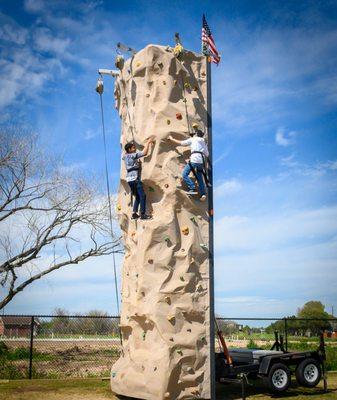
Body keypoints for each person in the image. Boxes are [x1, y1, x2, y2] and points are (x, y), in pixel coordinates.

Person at [168, 130, 209, 201]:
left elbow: (181, 143)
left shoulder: (193, 139)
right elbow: (207, 154)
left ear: (196, 134)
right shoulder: (203, 141)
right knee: (200, 178)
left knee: (184, 174)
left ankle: (192, 188)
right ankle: (203, 194)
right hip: (201, 161)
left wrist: (171, 139)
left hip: (194, 159)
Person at [122, 138, 154, 220]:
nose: (135, 149)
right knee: (142, 195)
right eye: (133, 148)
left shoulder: (125, 157)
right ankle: (143, 214)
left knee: (138, 197)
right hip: (135, 178)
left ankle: (134, 214)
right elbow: (144, 153)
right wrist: (148, 143)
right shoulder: (133, 155)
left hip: (129, 179)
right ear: (129, 149)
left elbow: (124, 154)